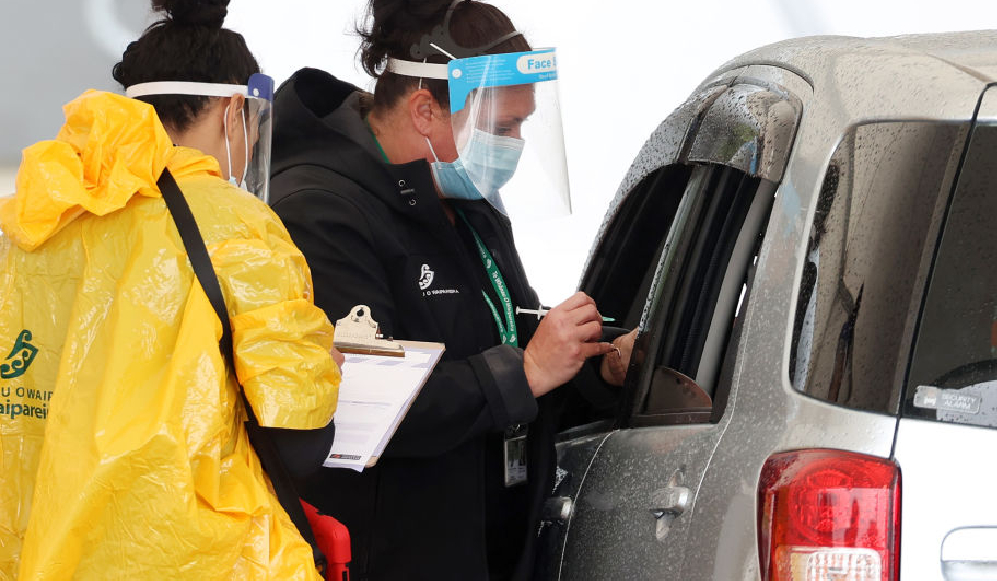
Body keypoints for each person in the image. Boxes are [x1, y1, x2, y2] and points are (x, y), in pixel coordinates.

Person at [268, 0, 635, 578]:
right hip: (387, 557)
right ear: (423, 110)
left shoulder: (462, 196)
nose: (514, 145)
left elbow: (505, 327)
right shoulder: (320, 212)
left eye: (524, 126)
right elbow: (362, 405)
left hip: (485, 547)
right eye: (503, 127)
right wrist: (527, 372)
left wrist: (597, 360)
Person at [0, 0, 342, 578]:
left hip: (42, 554)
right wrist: (321, 371)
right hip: (201, 558)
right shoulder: (240, 226)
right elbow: (297, 441)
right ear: (236, 110)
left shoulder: (36, 216)